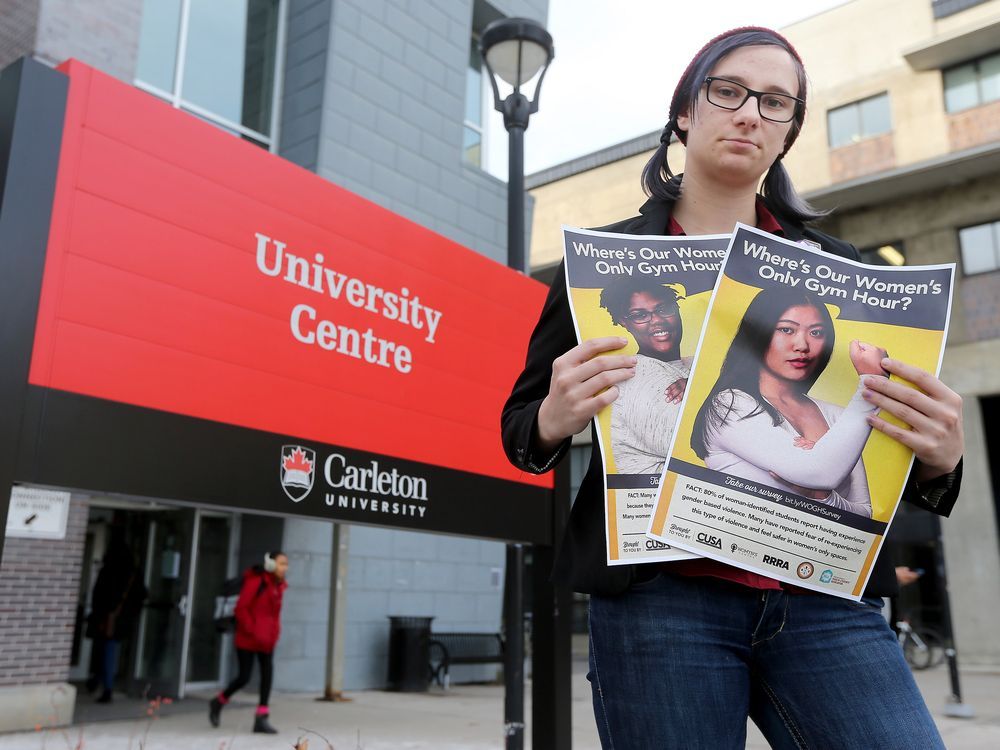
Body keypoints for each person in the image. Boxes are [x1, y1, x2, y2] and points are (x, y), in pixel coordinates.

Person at [501, 26, 964, 749]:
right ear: (686, 111)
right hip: (661, 601)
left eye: (775, 102)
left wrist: (940, 458)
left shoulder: (842, 269)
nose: (750, 113)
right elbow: (519, 432)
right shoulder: (603, 266)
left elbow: (870, 459)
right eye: (729, 91)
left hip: (823, 595)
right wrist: (555, 416)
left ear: (787, 132)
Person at [690, 286, 887, 517]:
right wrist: (871, 384)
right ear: (757, 335)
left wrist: (821, 497)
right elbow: (820, 473)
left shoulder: (838, 415)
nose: (802, 345)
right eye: (786, 329)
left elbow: (864, 514)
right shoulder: (729, 404)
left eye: (816, 333)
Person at [601, 278, 690, 474]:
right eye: (640, 315)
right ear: (624, 322)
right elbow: (697, 445)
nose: (657, 320)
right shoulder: (636, 375)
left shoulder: (695, 365)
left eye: (664, 309)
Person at [209, 551, 288, 734]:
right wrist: (253, 630)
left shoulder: (278, 585)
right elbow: (241, 609)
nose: (285, 567)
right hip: (248, 638)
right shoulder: (256, 581)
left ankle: (261, 718)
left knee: (267, 675)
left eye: (286, 564)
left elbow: (273, 614)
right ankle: (218, 701)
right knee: (244, 677)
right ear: (270, 564)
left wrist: (274, 632)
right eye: (281, 563)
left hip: (267, 639)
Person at [85, 535, 146, 704]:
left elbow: (98, 593)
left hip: (105, 617)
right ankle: (104, 684)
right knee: (110, 651)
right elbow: (141, 594)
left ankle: (102, 683)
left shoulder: (109, 570)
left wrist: (98, 612)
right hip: (120, 619)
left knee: (103, 650)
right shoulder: (132, 572)